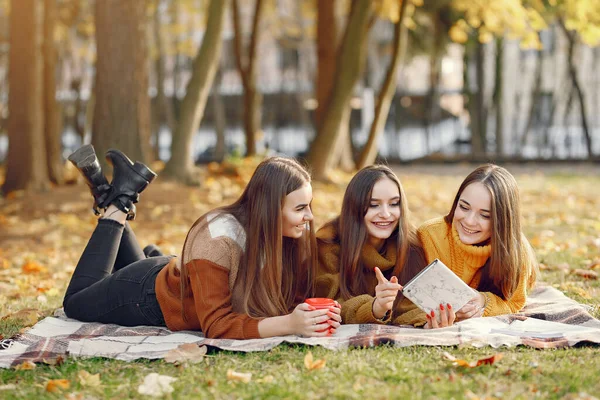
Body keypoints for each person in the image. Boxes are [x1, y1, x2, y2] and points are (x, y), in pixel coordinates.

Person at [62, 145, 341, 339]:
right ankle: (118, 205)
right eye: (300, 208)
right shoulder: (218, 237)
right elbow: (217, 326)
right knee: (75, 303)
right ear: (270, 209)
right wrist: (289, 324)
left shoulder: (287, 235)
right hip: (146, 297)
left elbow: (291, 296)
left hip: (181, 277)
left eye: (309, 206)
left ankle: (107, 192)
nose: (309, 216)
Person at [417, 164, 538, 329]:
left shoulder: (516, 249)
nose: (469, 221)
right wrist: (431, 318)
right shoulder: (429, 235)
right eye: (464, 207)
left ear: (502, 220)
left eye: (485, 215)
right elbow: (409, 299)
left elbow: (515, 302)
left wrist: (483, 302)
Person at [315, 165, 426, 325]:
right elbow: (329, 305)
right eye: (374, 205)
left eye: (394, 204)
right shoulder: (328, 242)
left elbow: (413, 306)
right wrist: (375, 307)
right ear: (355, 207)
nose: (386, 214)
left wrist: (428, 320)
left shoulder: (410, 242)